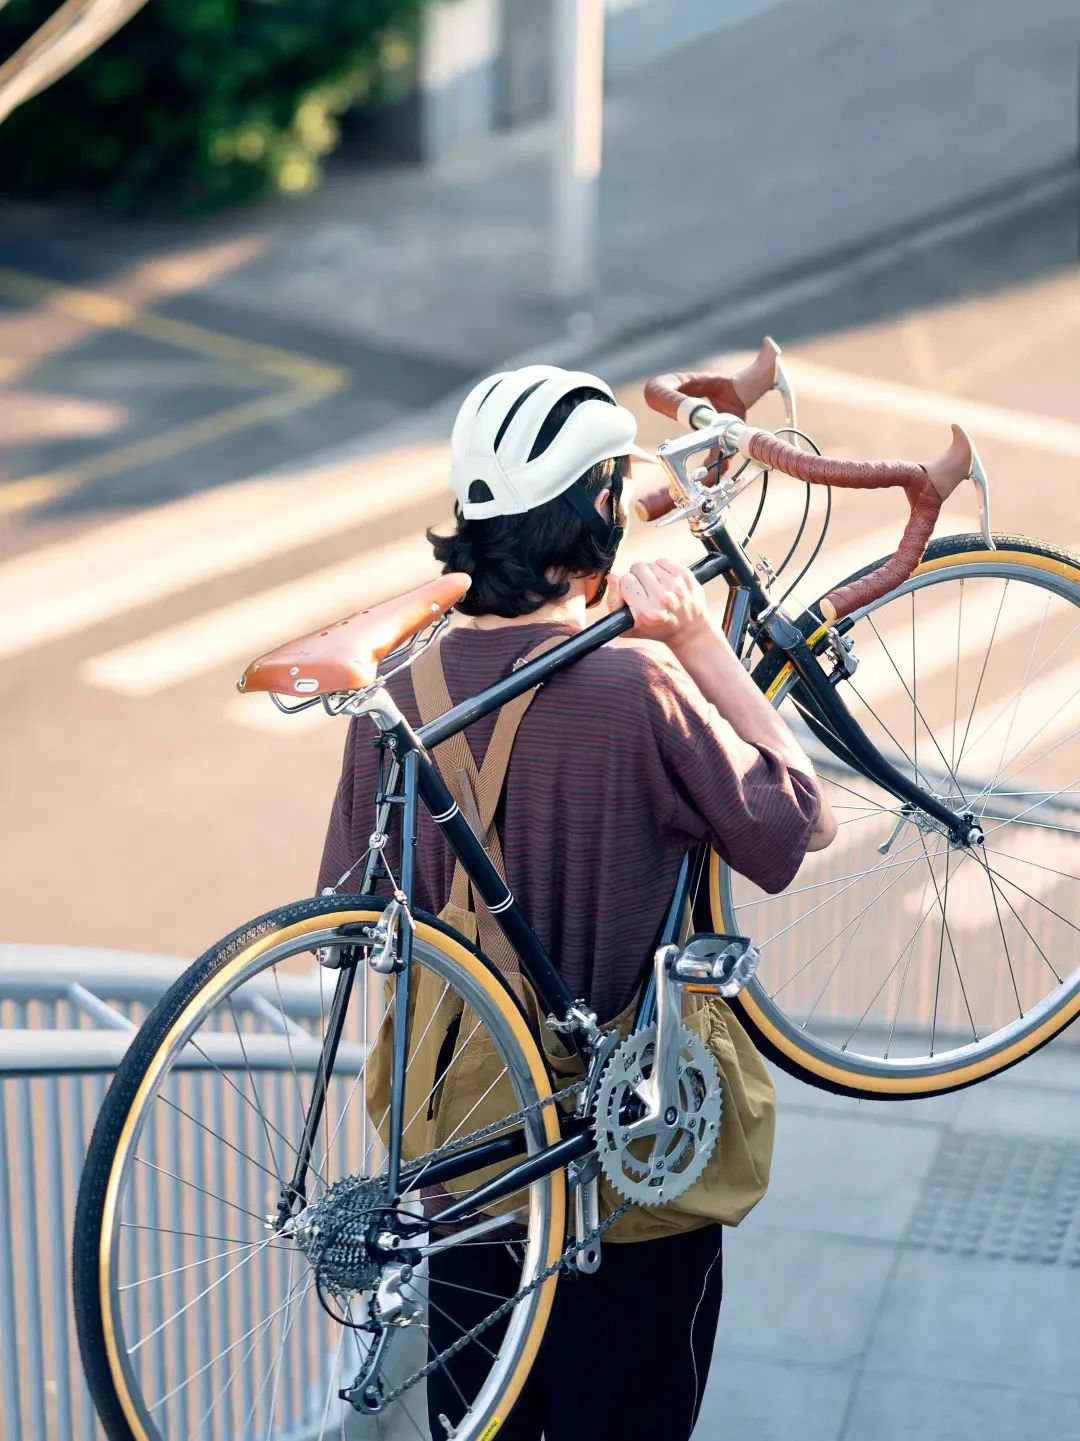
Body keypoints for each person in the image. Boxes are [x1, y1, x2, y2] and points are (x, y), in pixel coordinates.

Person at [318, 364, 837, 1441]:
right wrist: (697, 642)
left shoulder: (399, 694)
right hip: (637, 1179)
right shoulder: (635, 689)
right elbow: (802, 822)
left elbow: (351, 905)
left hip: (461, 1171)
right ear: (603, 508)